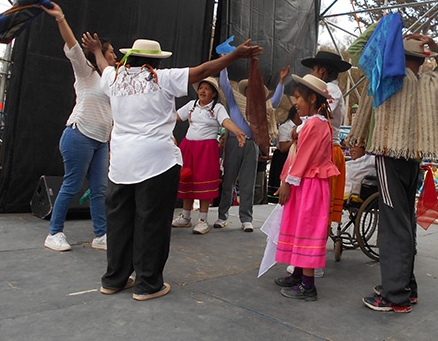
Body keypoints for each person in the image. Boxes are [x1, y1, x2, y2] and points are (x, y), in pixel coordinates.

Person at [83, 35, 262, 301]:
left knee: (120, 222)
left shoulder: (114, 77)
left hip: (121, 164)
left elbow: (102, 65)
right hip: (156, 163)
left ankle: (114, 279)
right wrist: (235, 56)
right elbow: (203, 70)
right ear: (155, 61)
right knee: (152, 223)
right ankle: (147, 284)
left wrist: (97, 50)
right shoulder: (161, 78)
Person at [348, 24, 438, 313]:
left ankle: (395, 296)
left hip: (389, 157)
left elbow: (356, 51)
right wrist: (434, 45)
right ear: (423, 60)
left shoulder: (387, 77)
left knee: (393, 227)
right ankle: (405, 287)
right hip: (413, 160)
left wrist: (383, 28)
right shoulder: (431, 83)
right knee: (404, 222)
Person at [41, 2, 117, 252]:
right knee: (72, 185)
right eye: (111, 52)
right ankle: (54, 233)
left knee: (99, 190)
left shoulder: (111, 79)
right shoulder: (86, 72)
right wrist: (60, 18)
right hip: (79, 135)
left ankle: (100, 235)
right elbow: (73, 46)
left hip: (101, 141)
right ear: (99, 52)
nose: (115, 56)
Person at [273, 74, 340, 301]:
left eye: (298, 98)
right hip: (306, 182)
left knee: (307, 229)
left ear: (312, 99)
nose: (295, 103)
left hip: (309, 184)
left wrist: (287, 182)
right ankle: (299, 274)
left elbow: (303, 158)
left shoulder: (314, 124)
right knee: (300, 226)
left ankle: (308, 285)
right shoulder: (315, 123)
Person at [215, 65, 290, 232]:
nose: (251, 92)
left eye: (255, 89)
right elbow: (225, 86)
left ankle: (246, 219)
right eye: (249, 89)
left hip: (251, 144)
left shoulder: (262, 107)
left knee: (248, 183)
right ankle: (222, 216)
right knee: (228, 180)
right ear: (245, 91)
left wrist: (281, 81)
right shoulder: (235, 103)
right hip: (234, 142)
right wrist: (224, 66)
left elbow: (275, 101)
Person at [173, 77, 246, 234]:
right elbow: (174, 117)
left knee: (203, 181)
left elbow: (225, 121)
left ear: (213, 93)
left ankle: (202, 220)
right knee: (187, 179)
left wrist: (237, 131)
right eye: (201, 88)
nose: (202, 91)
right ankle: (185, 216)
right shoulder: (191, 105)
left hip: (206, 150)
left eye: (207, 89)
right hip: (188, 147)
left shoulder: (217, 108)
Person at [301, 51, 351, 224]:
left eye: (313, 70)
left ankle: (316, 234)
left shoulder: (331, 91)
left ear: (322, 71)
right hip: (321, 150)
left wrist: (299, 129)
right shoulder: (328, 90)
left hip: (327, 152)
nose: (311, 74)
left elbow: (320, 115)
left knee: (319, 204)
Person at [268, 105, 301, 202]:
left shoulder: (301, 127)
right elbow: (283, 148)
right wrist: (295, 141)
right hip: (283, 158)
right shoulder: (285, 127)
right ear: (296, 114)